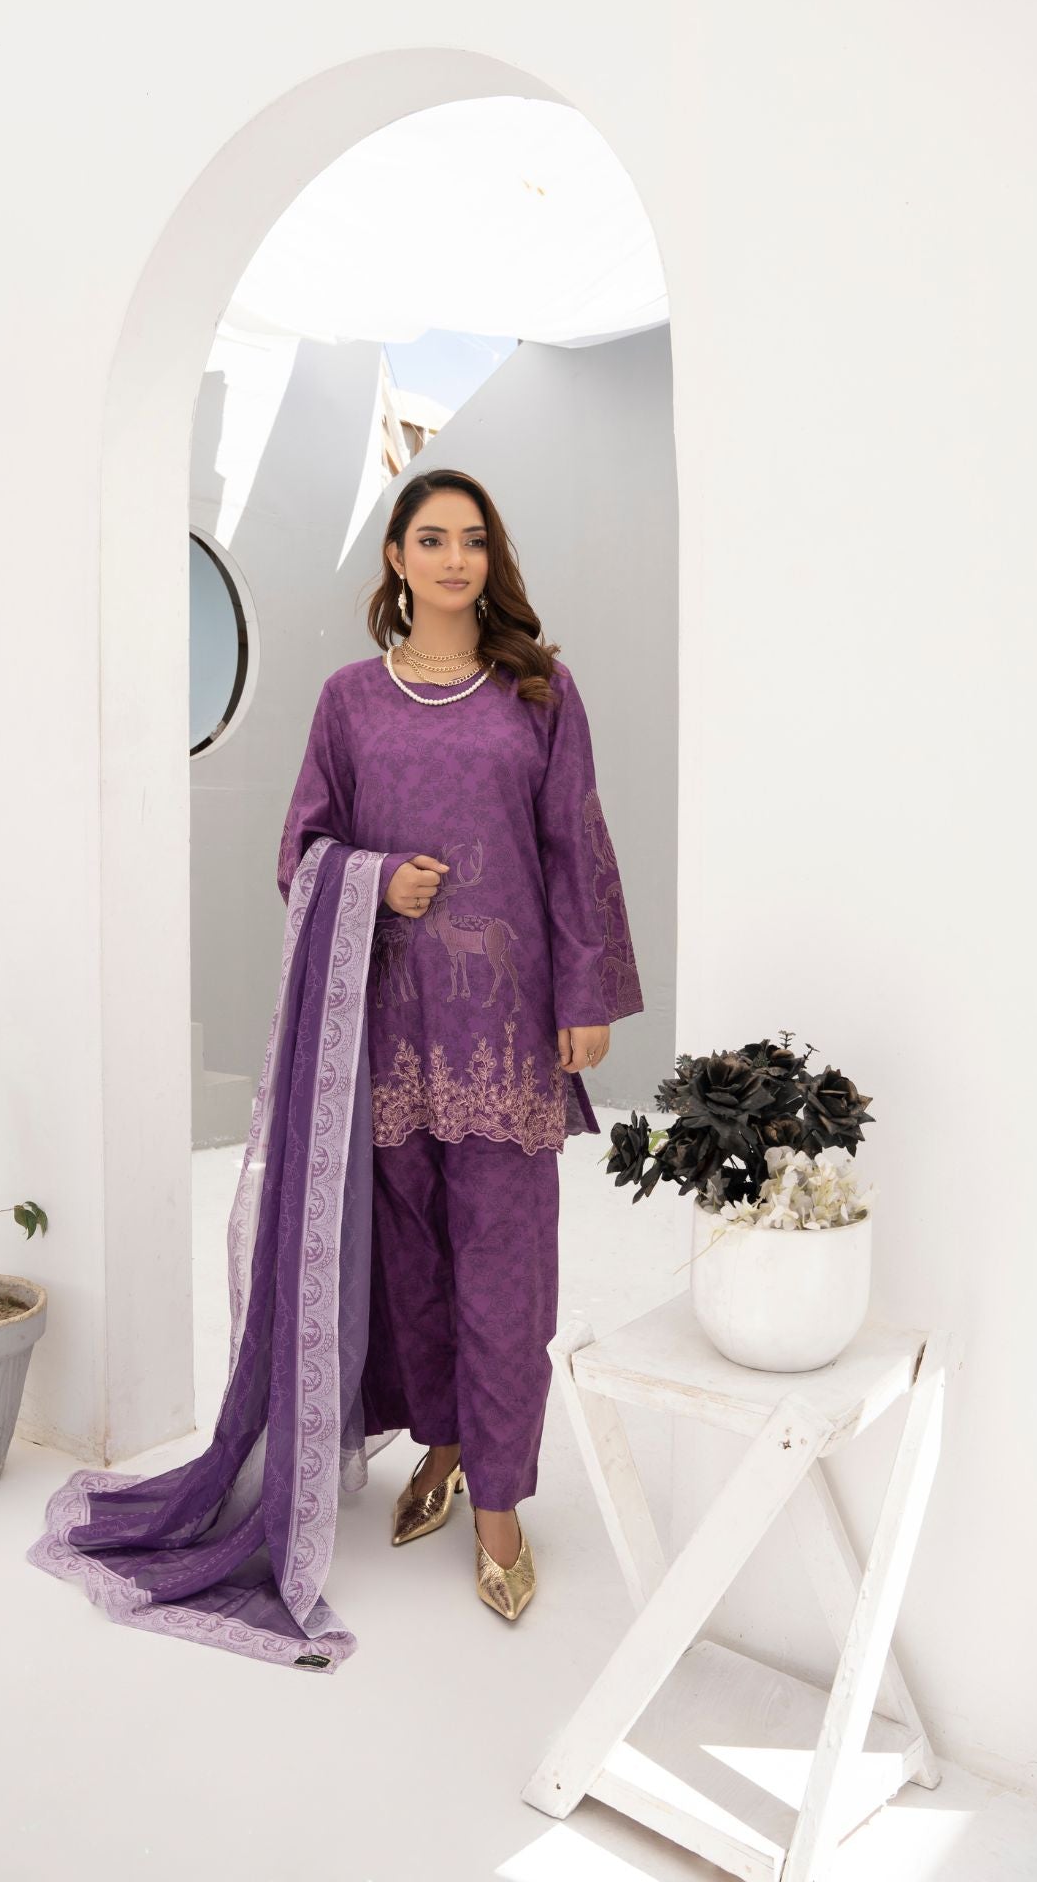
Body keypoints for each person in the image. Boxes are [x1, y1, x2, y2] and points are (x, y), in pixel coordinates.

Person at [276, 466, 643, 1620]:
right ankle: (439, 1439)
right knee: (412, 1263)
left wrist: (586, 990)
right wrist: (379, 879)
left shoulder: (539, 691)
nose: (453, 559)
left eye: (472, 540)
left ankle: (498, 1500)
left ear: (492, 558)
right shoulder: (349, 700)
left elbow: (575, 845)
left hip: (508, 1030)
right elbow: (301, 851)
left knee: (506, 1268)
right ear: (395, 556)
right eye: (430, 538)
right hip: (389, 1030)